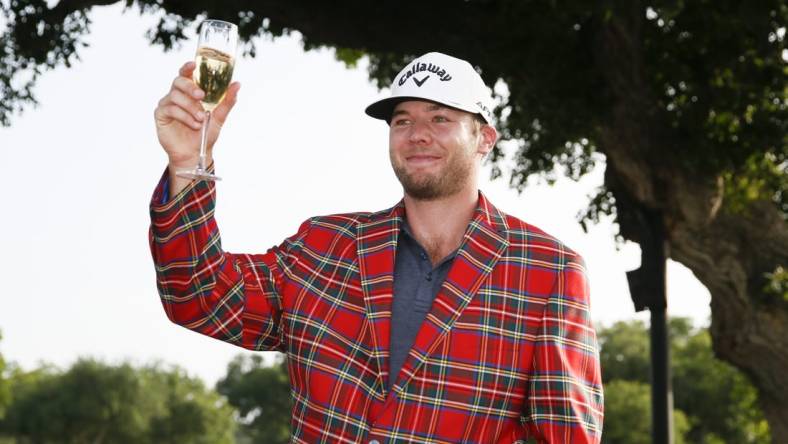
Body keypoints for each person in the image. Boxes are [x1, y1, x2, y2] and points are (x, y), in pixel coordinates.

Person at [150, 51, 603, 443]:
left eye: (439, 118)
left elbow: (566, 435)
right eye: (402, 120)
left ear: (484, 138)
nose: (417, 133)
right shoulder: (323, 248)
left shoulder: (549, 270)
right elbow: (198, 296)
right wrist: (189, 163)